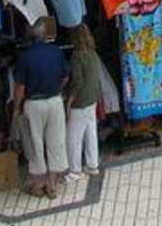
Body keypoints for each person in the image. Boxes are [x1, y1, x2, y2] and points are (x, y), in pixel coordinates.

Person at [13, 17, 70, 198]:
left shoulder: (25, 57)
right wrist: (56, 89)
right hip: (55, 101)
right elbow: (65, 77)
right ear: (46, 35)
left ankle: (38, 184)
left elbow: (20, 88)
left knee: (35, 144)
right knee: (56, 142)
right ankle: (52, 185)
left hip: (34, 104)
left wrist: (16, 108)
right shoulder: (56, 52)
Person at [64, 24, 103, 179]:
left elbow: (77, 82)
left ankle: (75, 171)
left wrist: (69, 101)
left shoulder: (77, 56)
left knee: (73, 137)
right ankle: (92, 165)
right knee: (90, 133)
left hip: (81, 101)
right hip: (92, 98)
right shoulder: (93, 52)